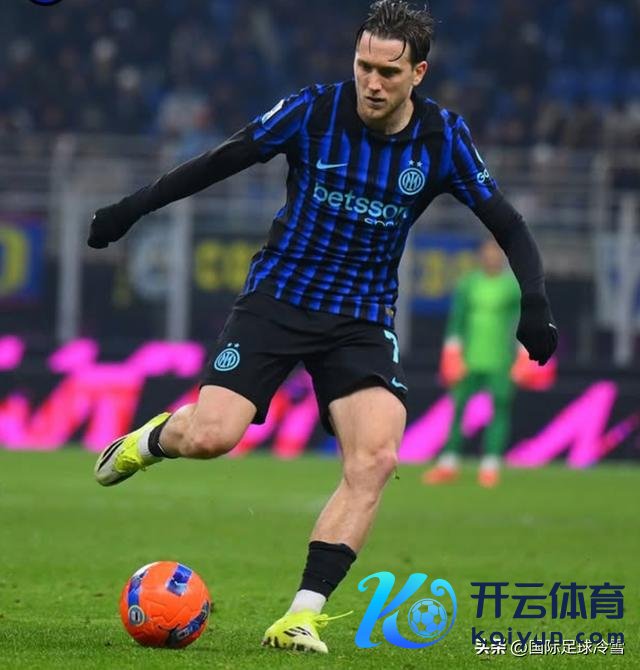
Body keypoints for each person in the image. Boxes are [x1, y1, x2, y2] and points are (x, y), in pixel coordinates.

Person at [88, 0, 557, 654]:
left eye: (388, 72)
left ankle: (300, 616)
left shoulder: (443, 138)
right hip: (278, 300)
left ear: (418, 73)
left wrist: (534, 302)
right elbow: (219, 160)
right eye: (364, 66)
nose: (372, 83)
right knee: (213, 435)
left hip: (360, 318)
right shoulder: (314, 110)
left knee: (377, 457)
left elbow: (507, 221)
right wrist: (129, 210)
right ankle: (153, 439)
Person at [423, 239, 521, 488]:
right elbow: (457, 319)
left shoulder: (511, 288)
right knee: (457, 410)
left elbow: (520, 323)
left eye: (495, 252)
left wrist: (523, 354)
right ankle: (448, 463)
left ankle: (490, 465)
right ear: (481, 255)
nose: (491, 257)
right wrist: (451, 352)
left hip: (501, 360)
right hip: (468, 359)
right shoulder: (468, 284)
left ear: (502, 256)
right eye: (487, 252)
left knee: (499, 410)